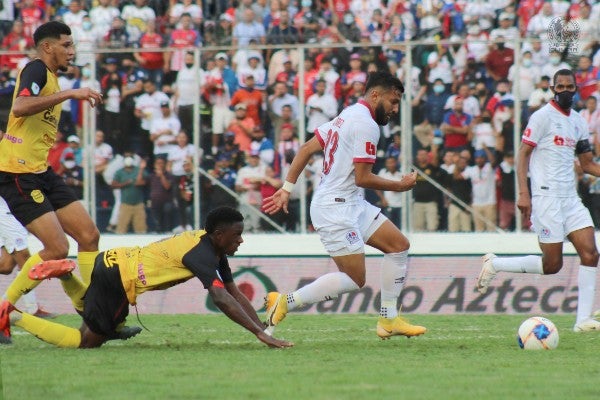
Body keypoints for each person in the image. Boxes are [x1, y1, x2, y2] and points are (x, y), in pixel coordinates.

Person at [263, 71, 426, 339]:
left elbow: (305, 148)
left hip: (350, 203)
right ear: (375, 95)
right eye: (393, 101)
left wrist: (286, 188)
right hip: (334, 207)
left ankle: (389, 320)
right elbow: (362, 178)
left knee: (398, 246)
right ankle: (284, 301)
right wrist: (400, 185)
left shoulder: (348, 114)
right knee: (354, 279)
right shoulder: (367, 125)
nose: (395, 109)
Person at [0, 207, 293, 349]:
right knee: (86, 341)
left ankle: (66, 276)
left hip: (115, 262)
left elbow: (232, 290)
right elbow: (221, 299)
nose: (241, 240)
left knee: (100, 317)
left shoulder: (211, 248)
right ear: (219, 235)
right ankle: (14, 316)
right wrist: (258, 335)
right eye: (237, 235)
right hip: (118, 277)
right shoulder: (202, 255)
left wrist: (262, 327)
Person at [0, 21, 109, 329]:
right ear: (48, 47)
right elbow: (20, 106)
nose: (71, 52)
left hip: (41, 171)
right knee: (57, 249)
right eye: (66, 45)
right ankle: (4, 309)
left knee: (89, 236)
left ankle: (94, 313)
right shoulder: (36, 70)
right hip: (17, 173)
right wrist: (71, 94)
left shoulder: (49, 77)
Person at [477, 69, 600, 332]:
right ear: (553, 88)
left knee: (590, 254)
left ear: (576, 88)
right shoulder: (542, 117)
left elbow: (587, 163)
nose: (565, 91)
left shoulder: (578, 122)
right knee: (552, 264)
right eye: (560, 86)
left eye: (570, 86)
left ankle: (583, 321)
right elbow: (522, 155)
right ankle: (495, 264)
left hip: (570, 198)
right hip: (546, 197)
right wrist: (524, 193)